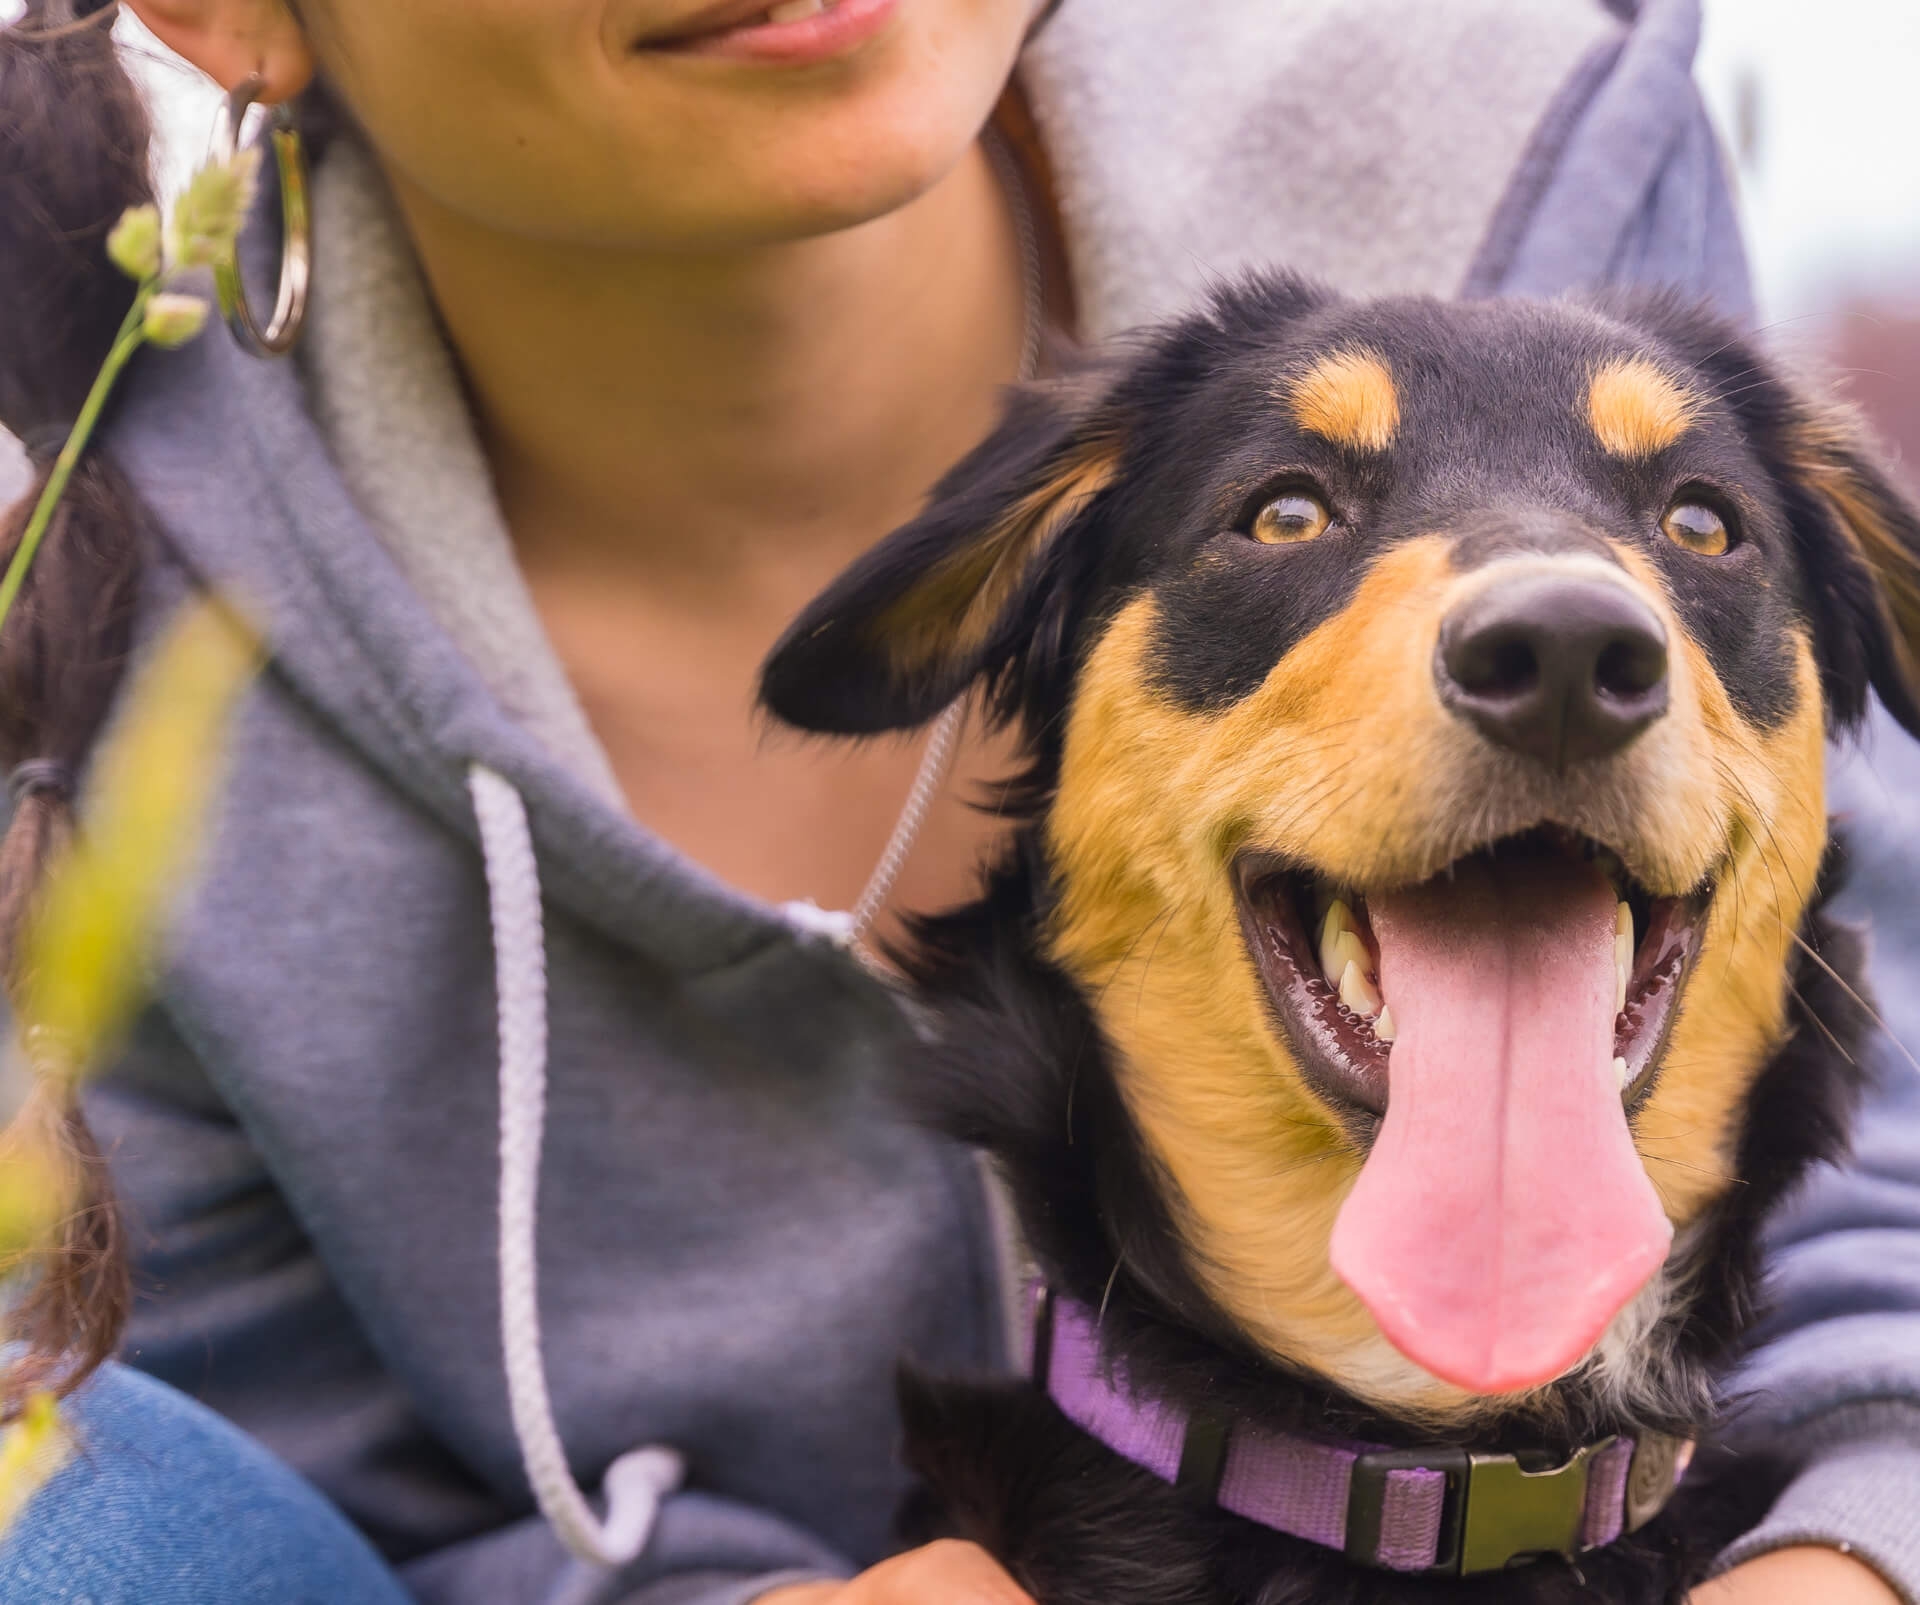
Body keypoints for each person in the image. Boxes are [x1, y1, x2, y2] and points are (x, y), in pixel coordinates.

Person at [0, 0, 1914, 1601]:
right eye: (1290, 508)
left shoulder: (1545, 140)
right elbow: (307, 1481)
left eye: (1689, 528)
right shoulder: (102, 567)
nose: (1566, 623)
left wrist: (1854, 1547)